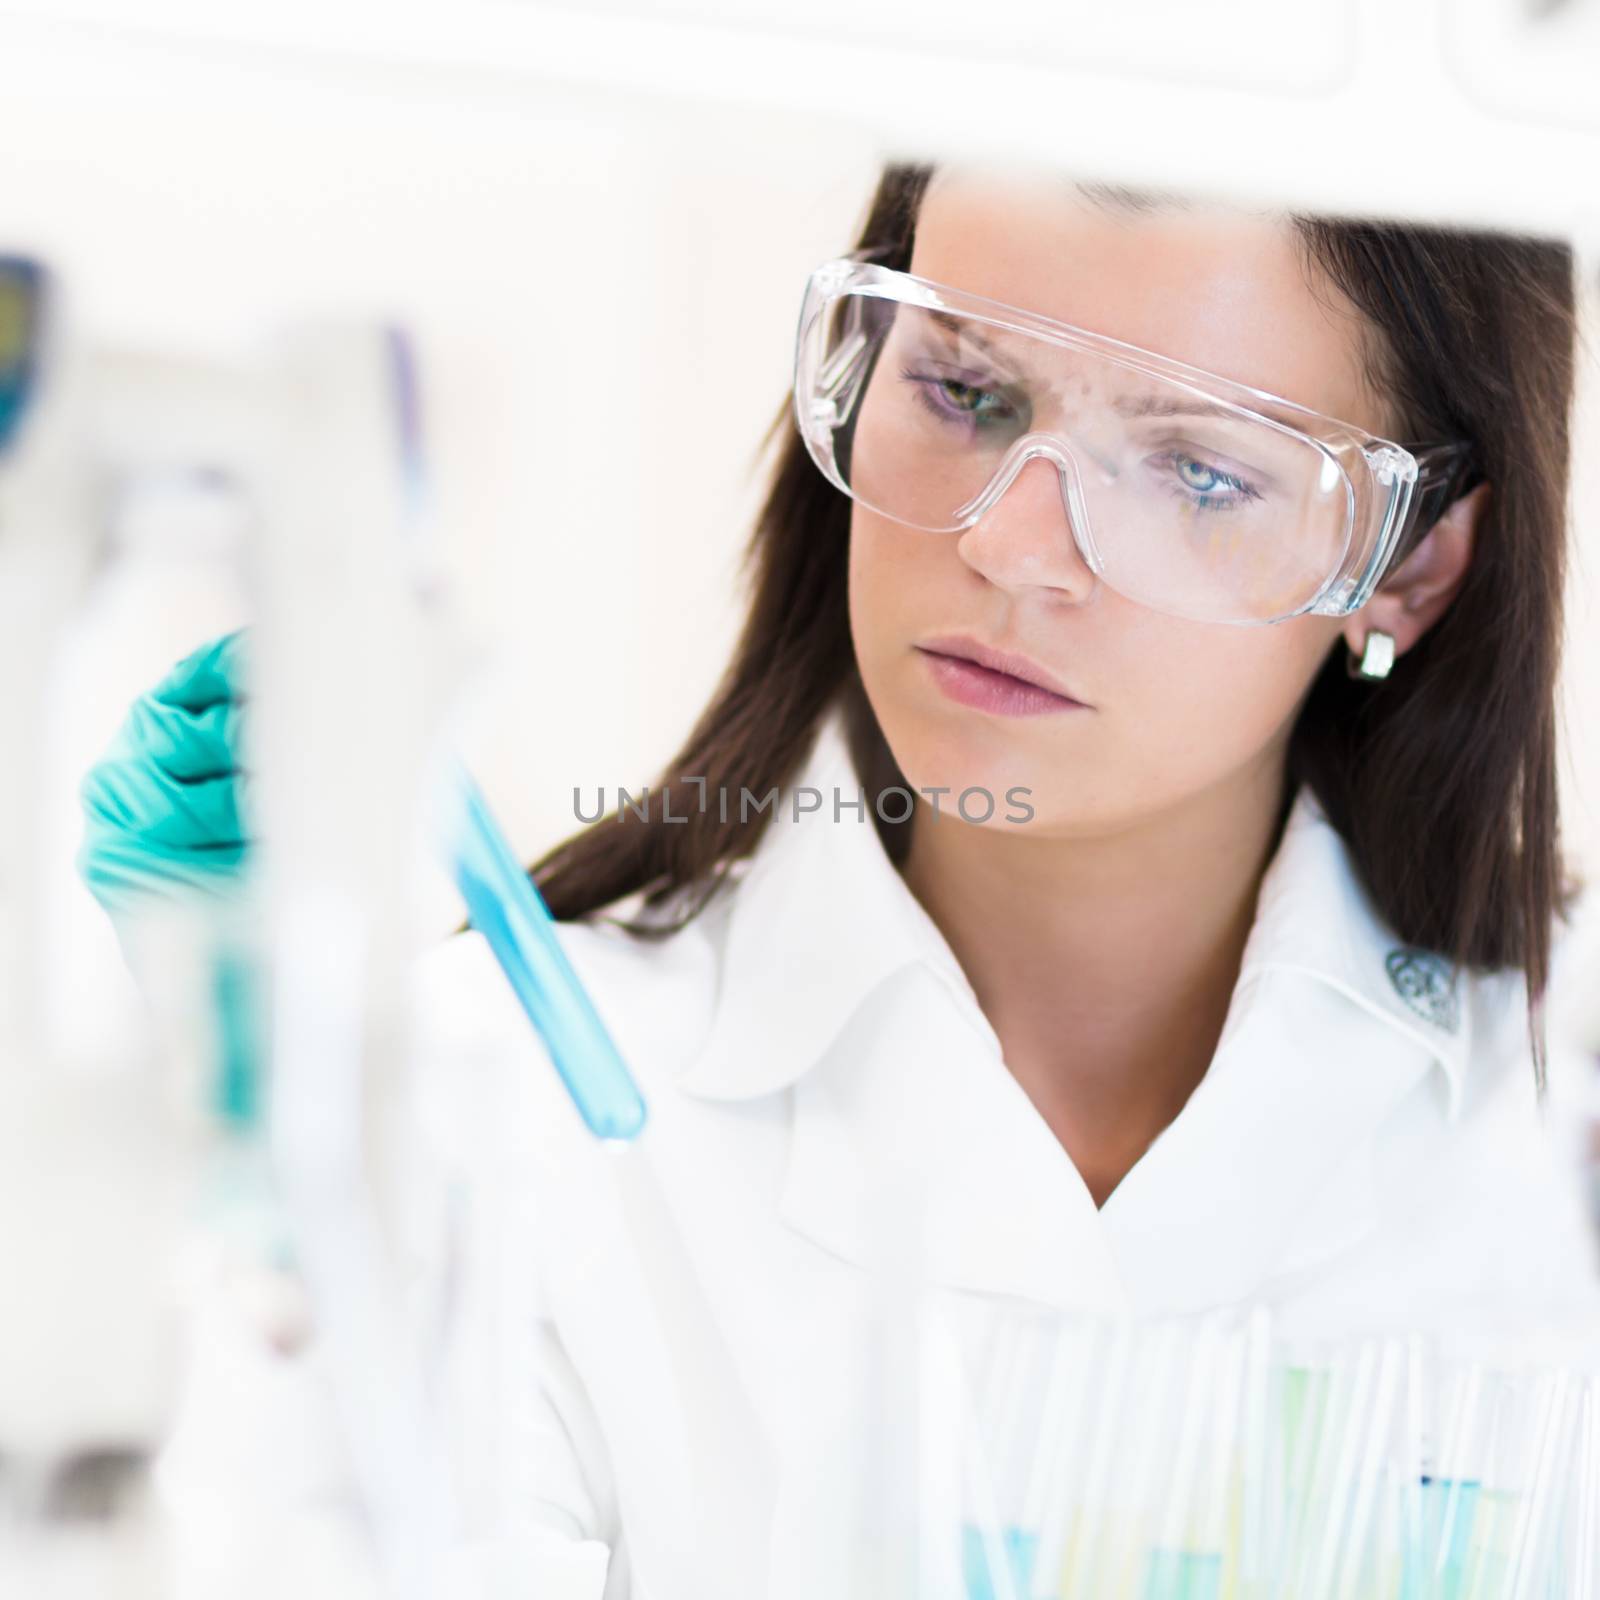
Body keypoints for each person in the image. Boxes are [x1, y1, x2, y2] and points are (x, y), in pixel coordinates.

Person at [79, 160, 1600, 1597]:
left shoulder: (1554, 1112)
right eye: (965, 390)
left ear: (1407, 563)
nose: (1013, 545)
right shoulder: (511, 1098)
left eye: (1198, 471)